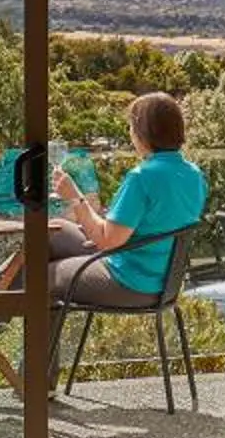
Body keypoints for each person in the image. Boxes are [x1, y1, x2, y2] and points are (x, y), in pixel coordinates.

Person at [47, 92, 208, 309]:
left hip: (130, 283)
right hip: (162, 282)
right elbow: (154, 223)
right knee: (53, 232)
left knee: (42, 276)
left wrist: (75, 197)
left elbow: (106, 240)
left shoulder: (142, 177)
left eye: (132, 127)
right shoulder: (194, 175)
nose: (130, 133)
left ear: (143, 133)